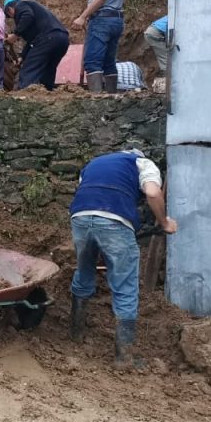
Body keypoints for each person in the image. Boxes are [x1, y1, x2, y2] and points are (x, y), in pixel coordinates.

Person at [69, 149, 178, 367]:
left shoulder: (93, 162)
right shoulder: (143, 163)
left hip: (79, 217)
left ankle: (75, 334)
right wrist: (165, 222)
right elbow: (153, 193)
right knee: (125, 284)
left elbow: (87, 191)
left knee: (84, 271)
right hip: (114, 220)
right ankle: (124, 356)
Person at [3, 0, 70, 91]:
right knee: (47, 71)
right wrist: (23, 56)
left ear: (10, 10)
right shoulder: (37, 13)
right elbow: (32, 40)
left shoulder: (21, 5)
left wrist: (15, 35)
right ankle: (46, 95)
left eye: (10, 16)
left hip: (47, 38)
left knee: (29, 70)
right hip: (62, 39)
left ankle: (25, 96)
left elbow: (27, 16)